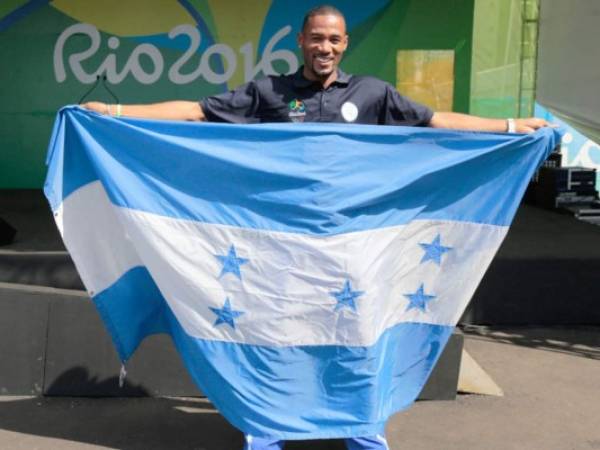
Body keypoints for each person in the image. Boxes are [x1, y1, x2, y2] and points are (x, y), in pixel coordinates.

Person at [84, 5, 550, 449]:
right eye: (315, 38)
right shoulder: (269, 92)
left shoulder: (372, 94)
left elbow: (438, 121)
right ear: (301, 41)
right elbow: (195, 113)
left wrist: (509, 126)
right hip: (284, 249)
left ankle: (362, 425)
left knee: (359, 331)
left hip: (354, 247)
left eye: (332, 39)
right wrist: (114, 113)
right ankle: (268, 425)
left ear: (344, 44)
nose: (323, 47)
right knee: (277, 329)